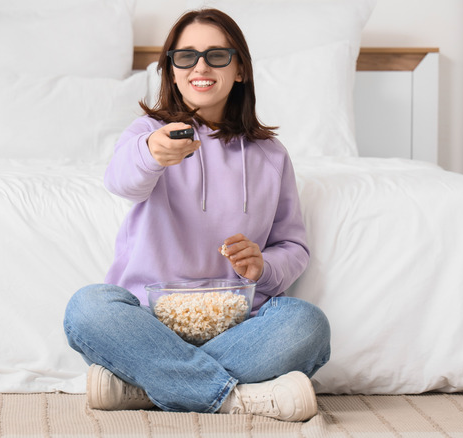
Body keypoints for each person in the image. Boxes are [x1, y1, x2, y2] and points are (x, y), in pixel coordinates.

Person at [63, 8, 330, 422]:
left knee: (307, 324)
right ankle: (236, 398)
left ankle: (145, 387)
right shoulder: (147, 134)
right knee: (87, 308)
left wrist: (263, 266)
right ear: (171, 71)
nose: (200, 67)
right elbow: (121, 181)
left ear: (239, 69)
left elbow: (292, 245)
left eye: (216, 56)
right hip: (148, 321)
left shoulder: (271, 156)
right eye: (185, 56)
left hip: (239, 323)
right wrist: (152, 153)